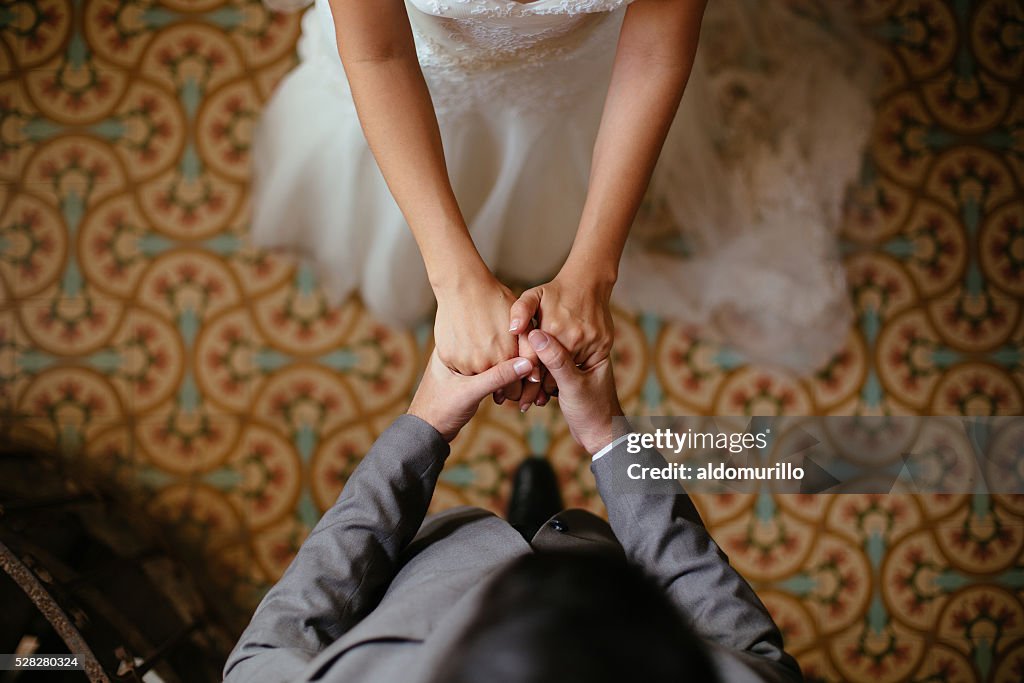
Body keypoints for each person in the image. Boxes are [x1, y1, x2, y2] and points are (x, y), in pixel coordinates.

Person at [250, 0, 876, 394]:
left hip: (576, 81)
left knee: (549, 179)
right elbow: (379, 52)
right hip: (418, 71)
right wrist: (455, 282)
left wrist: (590, 274)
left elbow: (656, 54)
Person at [222, 329, 804, 682]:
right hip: (598, 556)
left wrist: (425, 423)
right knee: (573, 530)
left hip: (443, 565)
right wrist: (607, 437)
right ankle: (548, 521)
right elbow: (750, 654)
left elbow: (268, 651)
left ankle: (529, 519)